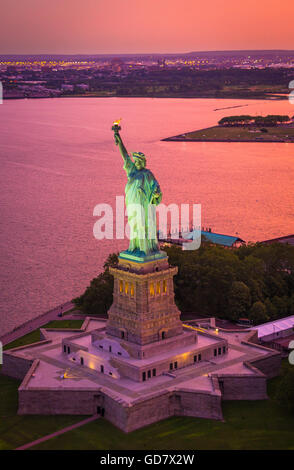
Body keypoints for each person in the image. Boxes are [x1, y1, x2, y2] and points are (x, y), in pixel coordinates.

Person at [114, 132, 162, 255]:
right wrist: (119, 140)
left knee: (144, 224)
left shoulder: (148, 174)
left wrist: (156, 193)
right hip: (132, 202)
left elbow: (156, 187)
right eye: (135, 161)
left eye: (139, 161)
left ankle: (145, 248)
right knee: (134, 223)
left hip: (144, 203)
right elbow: (125, 156)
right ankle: (135, 246)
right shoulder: (132, 172)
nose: (137, 163)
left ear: (144, 162)